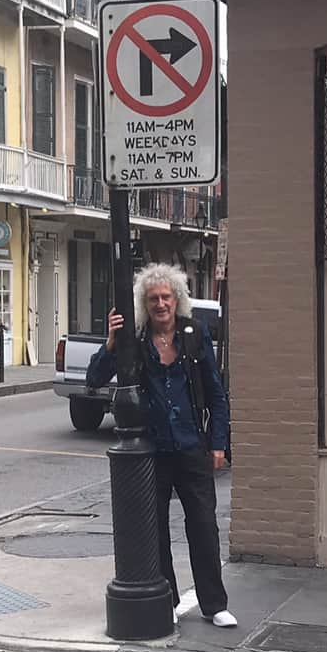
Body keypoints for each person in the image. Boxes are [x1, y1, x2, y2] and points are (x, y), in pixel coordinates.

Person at [87, 262, 237, 628]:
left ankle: (214, 604)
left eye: (166, 297)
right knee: (155, 530)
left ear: (177, 299)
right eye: (153, 298)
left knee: (203, 526)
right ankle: (167, 600)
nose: (160, 304)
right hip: (151, 452)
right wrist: (110, 343)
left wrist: (219, 444)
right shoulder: (133, 338)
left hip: (191, 445)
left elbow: (216, 394)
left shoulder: (194, 334)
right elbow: (94, 379)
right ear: (144, 302)